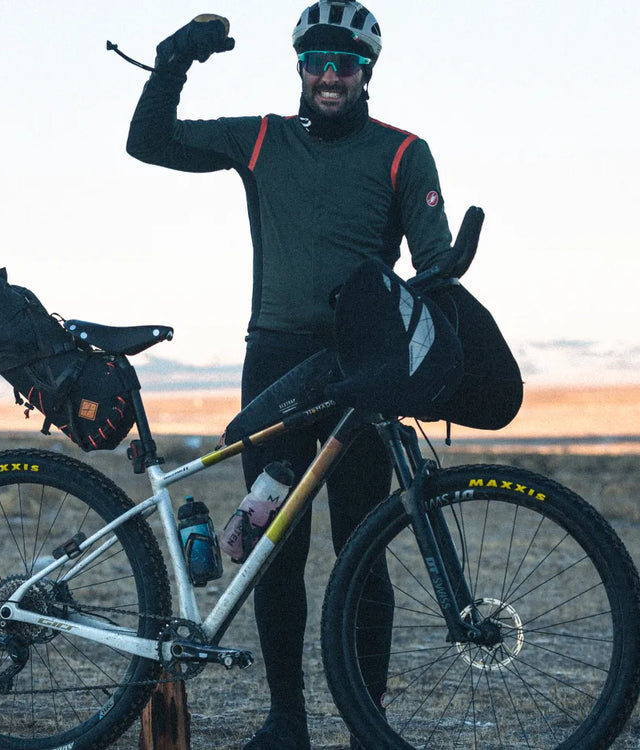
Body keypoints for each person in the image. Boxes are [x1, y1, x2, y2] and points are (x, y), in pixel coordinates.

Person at [127, 3, 456, 747]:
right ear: (300, 67)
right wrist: (175, 56)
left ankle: (367, 724)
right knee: (277, 550)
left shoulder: (404, 153)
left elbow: (433, 266)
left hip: (361, 366)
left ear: (367, 71)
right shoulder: (264, 139)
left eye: (346, 62)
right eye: (317, 60)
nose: (330, 74)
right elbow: (147, 142)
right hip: (276, 362)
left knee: (362, 552)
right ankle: (286, 723)